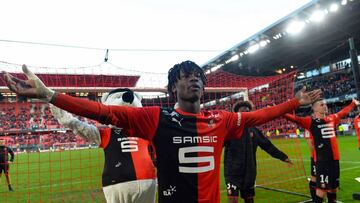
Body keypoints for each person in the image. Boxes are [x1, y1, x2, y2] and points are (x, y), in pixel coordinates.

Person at [1, 62, 321, 203]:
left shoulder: (221, 119)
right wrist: (50, 95)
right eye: (184, 76)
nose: (193, 79)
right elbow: (104, 111)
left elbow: (259, 115)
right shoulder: (156, 118)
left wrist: (295, 101)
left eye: (197, 75)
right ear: (173, 87)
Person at [50, 88, 157, 203]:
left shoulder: (144, 131)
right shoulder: (106, 134)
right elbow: (81, 127)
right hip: (120, 183)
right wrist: (65, 118)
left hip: (144, 181)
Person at [283, 98, 358, 203]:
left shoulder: (332, 118)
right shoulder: (310, 121)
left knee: (333, 188)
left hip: (335, 161)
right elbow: (295, 119)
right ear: (315, 108)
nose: (325, 106)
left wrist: (353, 104)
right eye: (322, 104)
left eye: (325, 104)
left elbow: (343, 112)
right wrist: (280, 112)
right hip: (323, 162)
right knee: (321, 190)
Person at [224, 101, 293, 203]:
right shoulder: (230, 130)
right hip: (233, 172)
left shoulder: (255, 131)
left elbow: (268, 146)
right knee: (233, 199)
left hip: (249, 172)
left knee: (249, 199)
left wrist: (283, 157)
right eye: (242, 113)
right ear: (236, 115)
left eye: (247, 112)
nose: (245, 115)